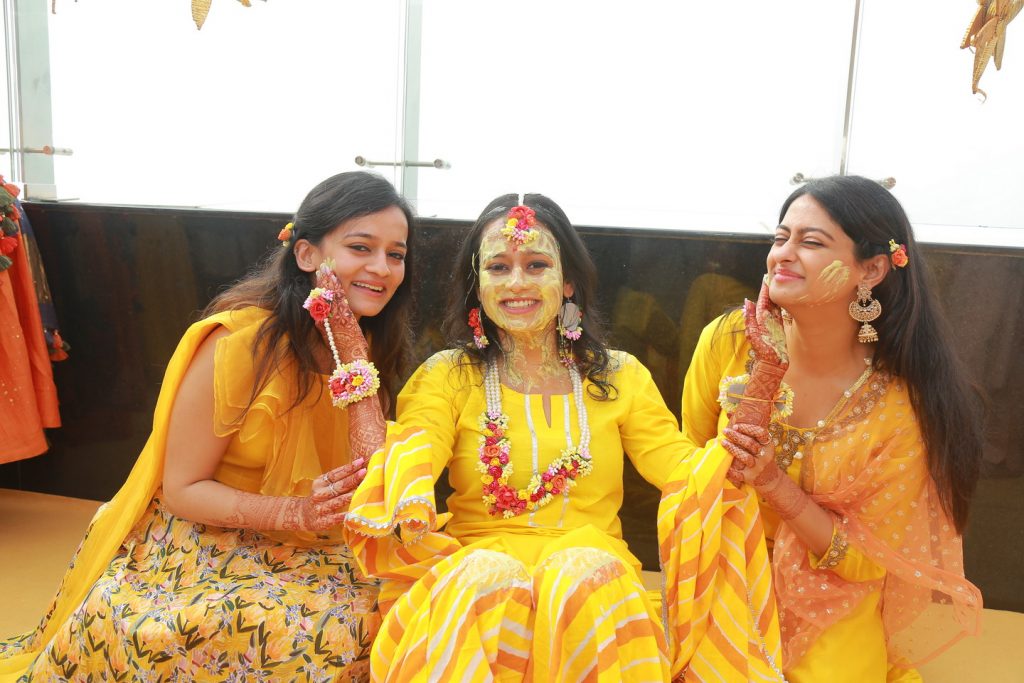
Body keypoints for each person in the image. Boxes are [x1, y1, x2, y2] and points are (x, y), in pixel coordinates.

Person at [343, 194, 786, 682]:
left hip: (593, 573)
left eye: (536, 265)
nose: (517, 283)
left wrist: (762, 382)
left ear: (568, 281)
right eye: (497, 266)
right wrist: (396, 473)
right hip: (479, 569)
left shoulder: (620, 375)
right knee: (490, 577)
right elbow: (411, 457)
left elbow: (687, 473)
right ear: (477, 284)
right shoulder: (448, 375)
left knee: (579, 573)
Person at [0, 170, 415, 682]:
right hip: (198, 536)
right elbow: (182, 488)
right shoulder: (237, 343)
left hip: (316, 537)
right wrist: (295, 511)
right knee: (308, 630)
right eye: (361, 247)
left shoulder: (363, 341)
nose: (382, 268)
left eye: (396, 254)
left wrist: (350, 346)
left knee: (398, 612)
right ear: (307, 255)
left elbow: (370, 474)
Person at [681, 175, 984, 682]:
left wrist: (774, 484)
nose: (782, 255)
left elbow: (867, 562)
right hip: (724, 573)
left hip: (831, 597)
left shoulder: (896, 406)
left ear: (871, 269)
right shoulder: (729, 343)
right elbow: (683, 466)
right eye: (780, 238)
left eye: (811, 242)